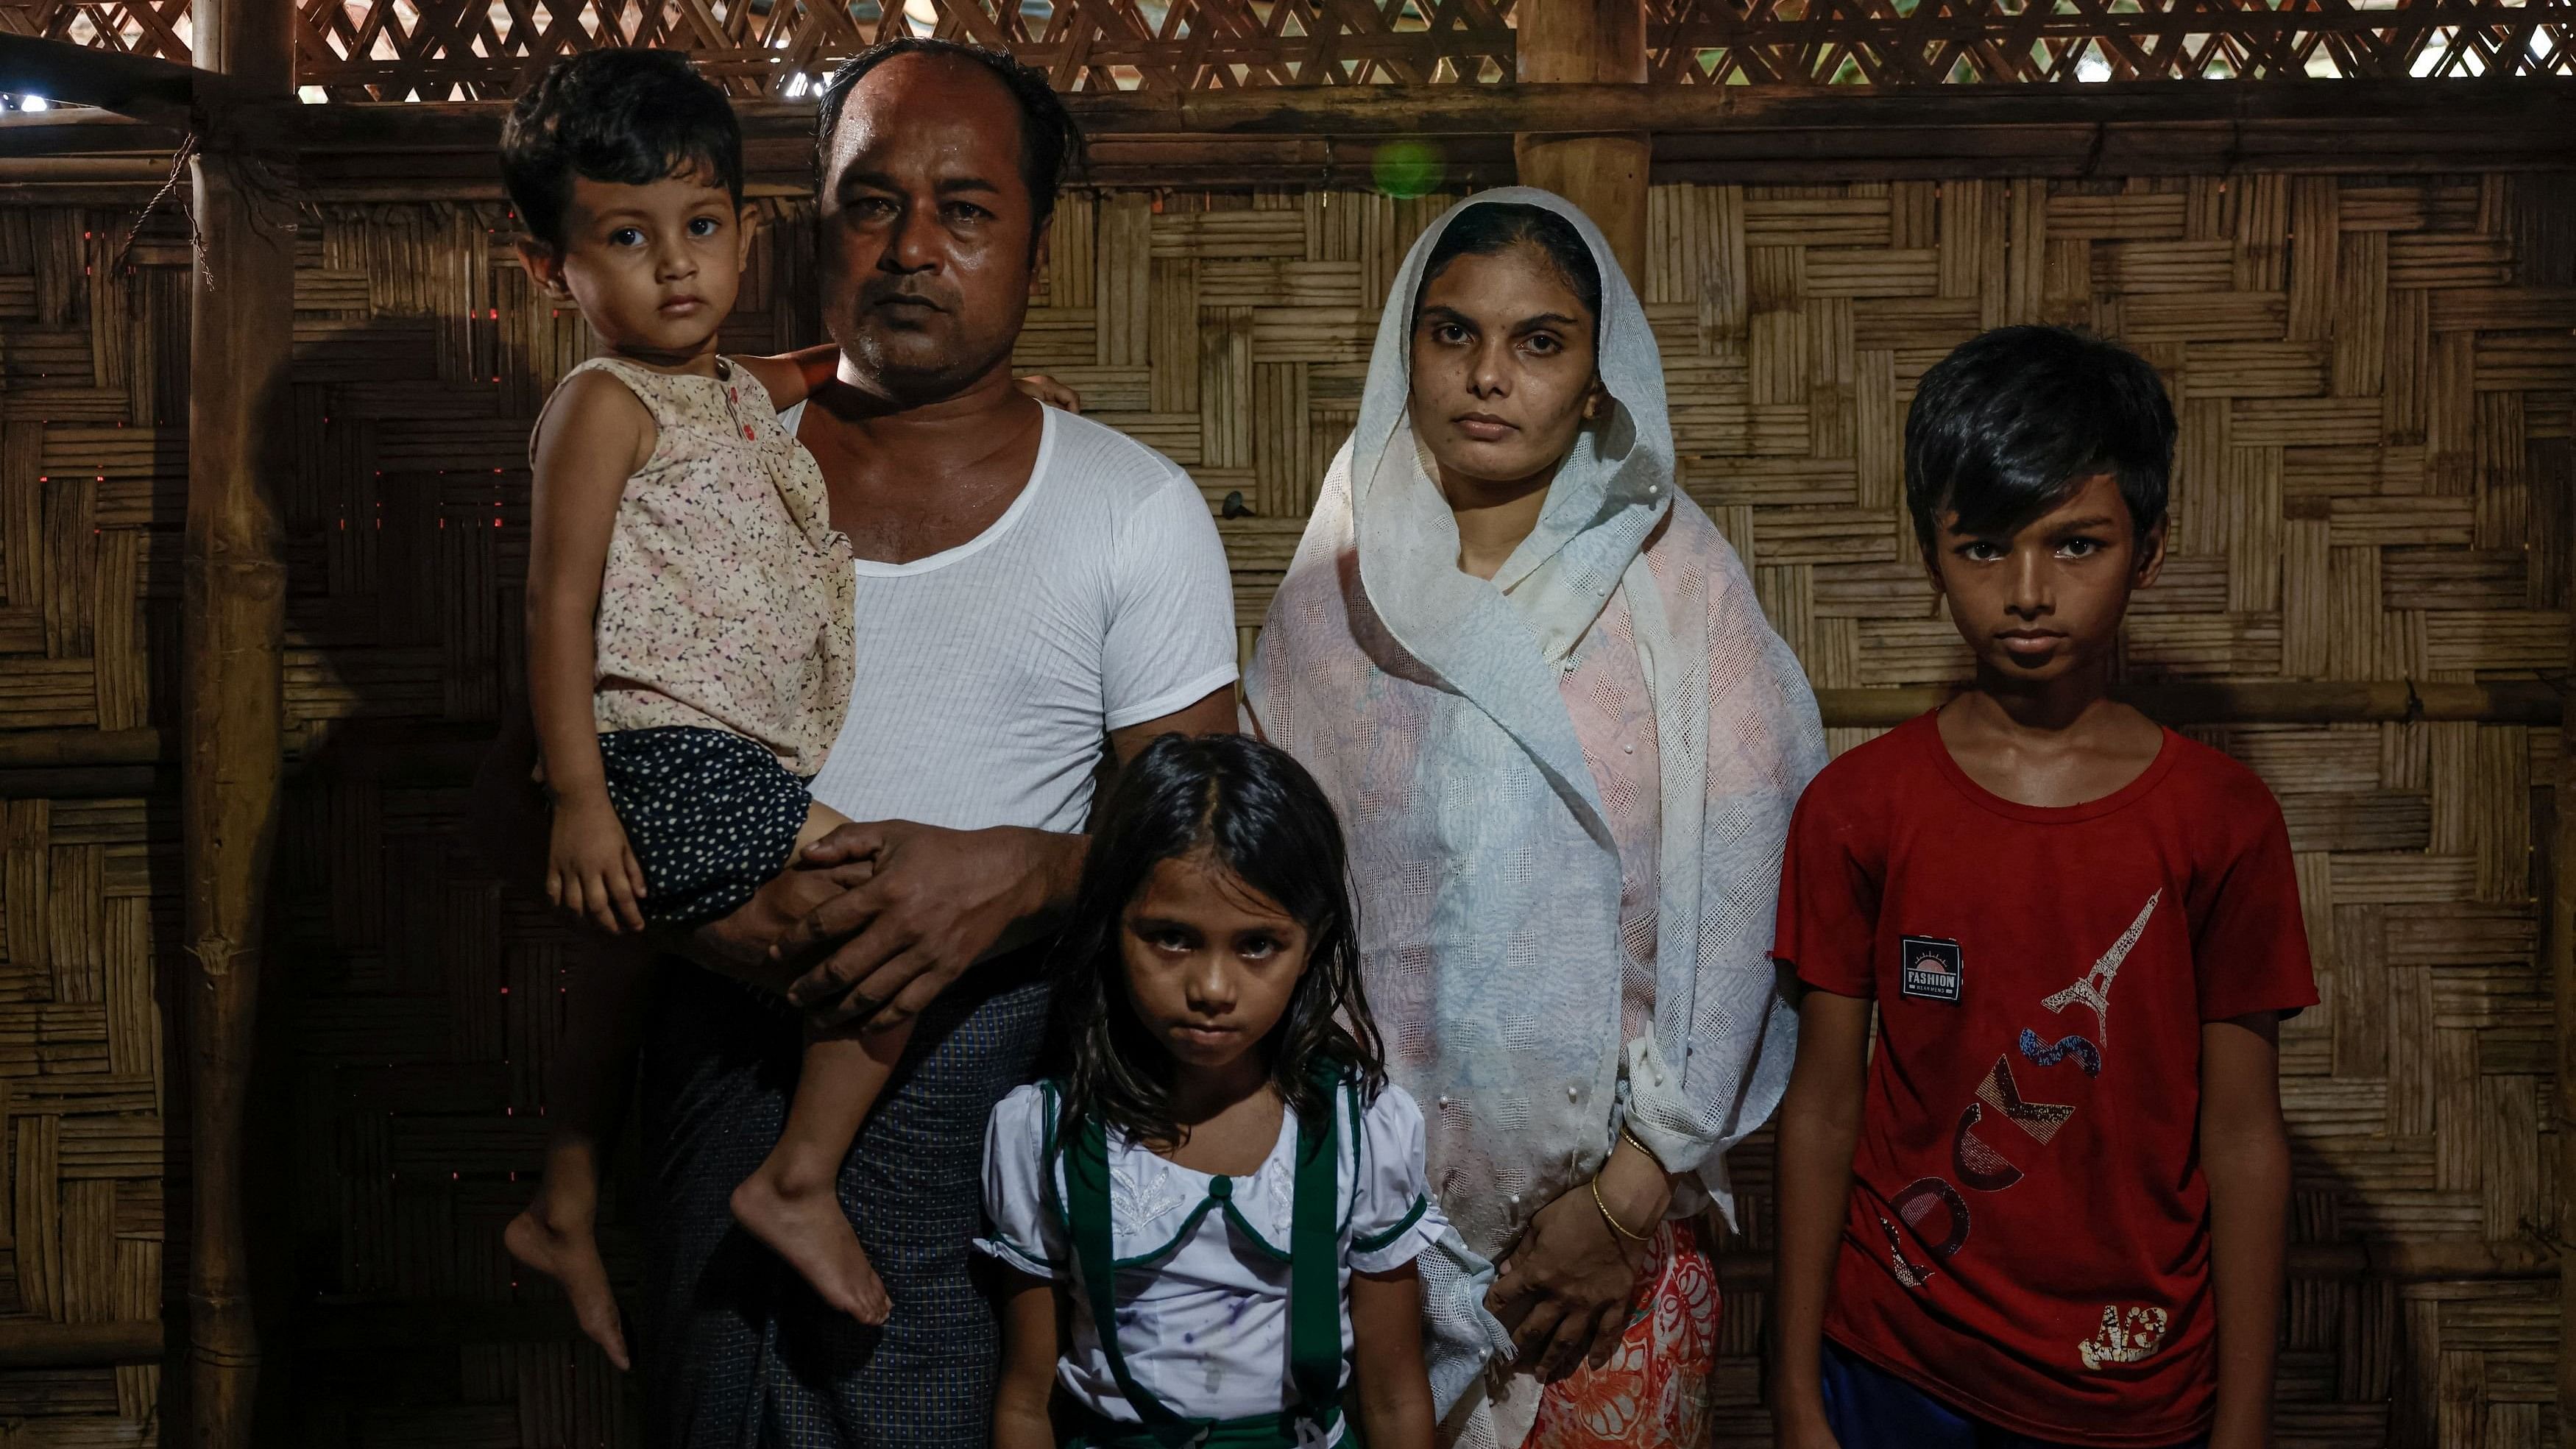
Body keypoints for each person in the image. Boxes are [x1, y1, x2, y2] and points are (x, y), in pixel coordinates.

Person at [471, 36, 1238, 1448]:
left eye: (967, 209)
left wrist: (1021, 873)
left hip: (983, 1116)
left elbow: (1198, 862)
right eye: (871, 202)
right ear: (813, 227)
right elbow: (539, 772)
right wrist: (718, 921)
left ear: (1037, 248)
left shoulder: (1131, 510)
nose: (913, 247)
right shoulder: (693, 460)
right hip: (709, 1084)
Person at [1243, 190, 1827, 1447]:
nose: (1489, 376)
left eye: (1540, 341)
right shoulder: (1333, 583)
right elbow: (1281, 894)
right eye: (1453, 334)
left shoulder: (1677, 587)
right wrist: (1361, 1177)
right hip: (1373, 1230)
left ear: (1599, 374)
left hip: (1610, 1236)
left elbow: (1739, 902)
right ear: (1409, 345)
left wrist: (1627, 1197)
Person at [1767, 325, 2315, 1449]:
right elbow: (1824, 1108)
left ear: (2149, 552)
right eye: (1983, 547)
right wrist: (1793, 1392)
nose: (2027, 592)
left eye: (2076, 546)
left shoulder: (2222, 820)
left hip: (2134, 1380)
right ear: (1930, 553)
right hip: (1895, 1364)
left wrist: (2245, 1423)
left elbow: (2245, 1137)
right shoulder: (1858, 808)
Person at [983, 733, 1462, 1449]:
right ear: (1113, 926)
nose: (1210, 988)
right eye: (1171, 938)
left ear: (1312, 943)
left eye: (1256, 945)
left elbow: (1392, 1396)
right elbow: (1025, 1401)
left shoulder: (1359, 1129)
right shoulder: (1045, 1133)